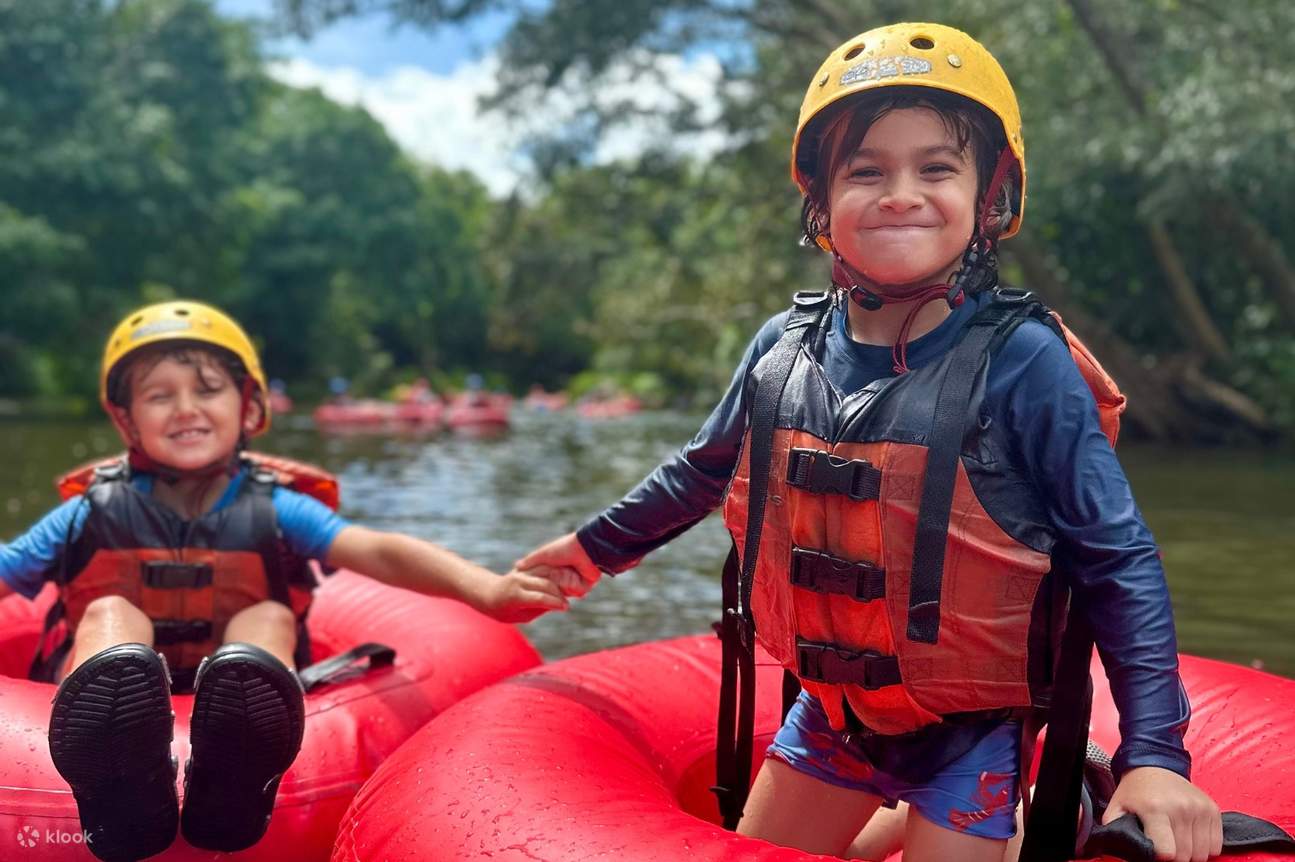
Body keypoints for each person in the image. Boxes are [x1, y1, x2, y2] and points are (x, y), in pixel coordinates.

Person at [518, 22, 1223, 862]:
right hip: (831, 715)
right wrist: (593, 550)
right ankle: (959, 812)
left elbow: (1117, 556)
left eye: (935, 167)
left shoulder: (1023, 361)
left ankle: (1058, 795)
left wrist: (1157, 757)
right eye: (865, 171)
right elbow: (699, 474)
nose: (899, 193)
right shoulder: (781, 348)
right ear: (820, 202)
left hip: (971, 737)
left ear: (989, 194)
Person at [0, 301, 569, 862]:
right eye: (158, 395)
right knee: (107, 612)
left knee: (267, 617)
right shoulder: (88, 513)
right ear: (125, 418)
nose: (185, 409)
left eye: (207, 390)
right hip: (112, 689)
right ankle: (113, 757)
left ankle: (237, 756)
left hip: (234, 679)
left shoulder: (278, 508)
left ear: (248, 406)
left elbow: (375, 550)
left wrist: (484, 589)